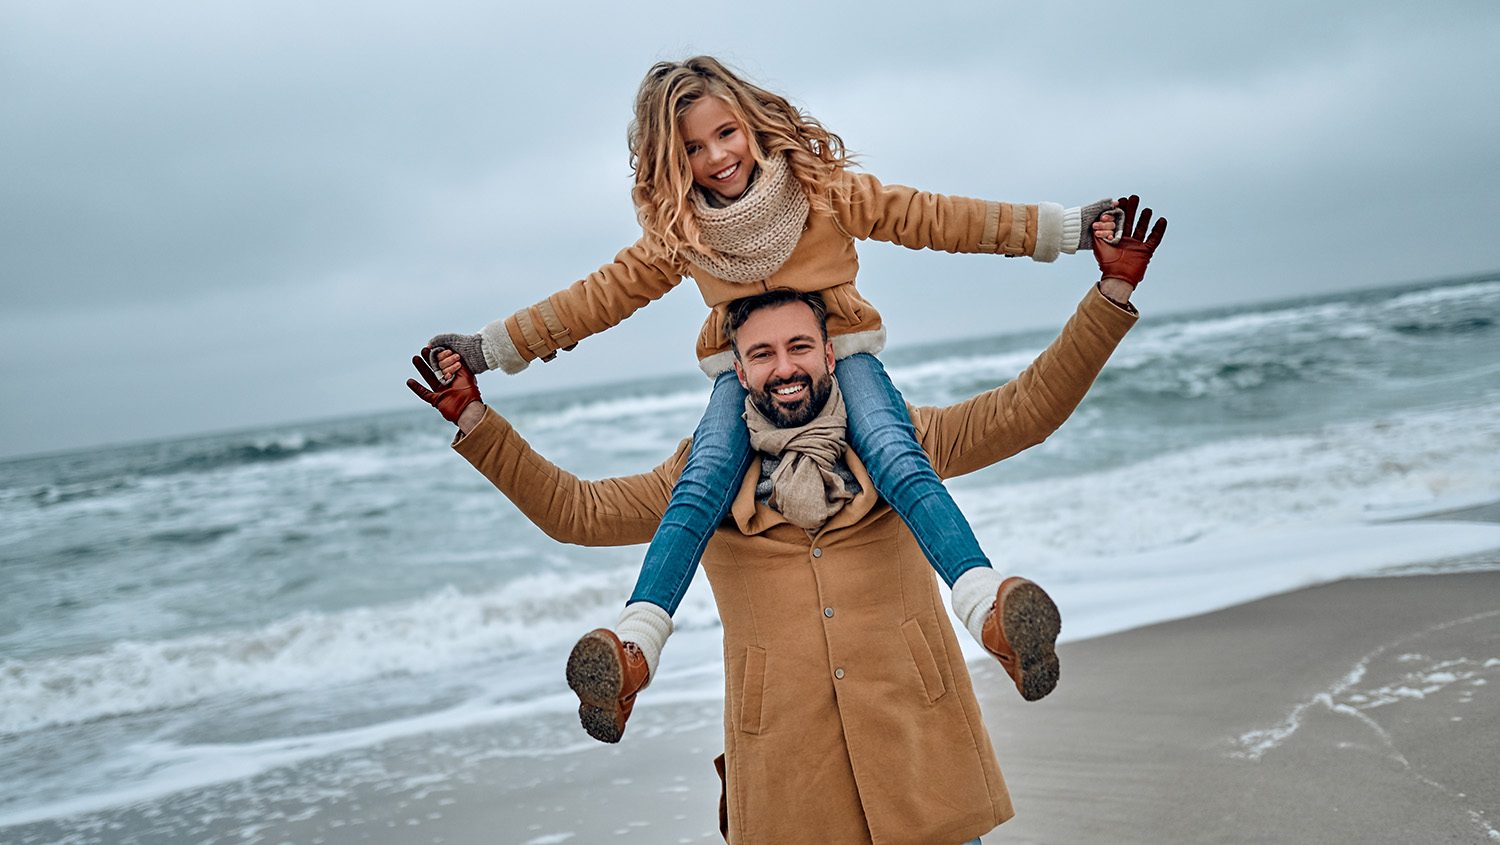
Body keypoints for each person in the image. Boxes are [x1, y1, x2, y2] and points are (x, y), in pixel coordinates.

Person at [408, 198, 1167, 844]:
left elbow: (1027, 411)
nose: (785, 365)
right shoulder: (700, 478)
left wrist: (1110, 294)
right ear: (737, 371)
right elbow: (576, 511)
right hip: (786, 785)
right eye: (763, 353)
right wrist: (476, 419)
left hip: (923, 761)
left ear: (832, 355)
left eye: (800, 345)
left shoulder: (901, 440)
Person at [423, 55, 1124, 743]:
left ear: (753, 126)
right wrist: (485, 361)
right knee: (697, 489)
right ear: (672, 162)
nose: (716, 157)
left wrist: (1065, 235)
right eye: (692, 148)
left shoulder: (823, 194)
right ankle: (634, 649)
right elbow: (591, 307)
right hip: (787, 771)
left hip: (917, 748)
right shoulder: (682, 235)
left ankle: (989, 609)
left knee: (896, 456)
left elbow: (938, 221)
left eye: (725, 133)